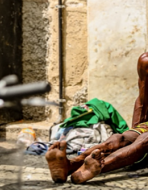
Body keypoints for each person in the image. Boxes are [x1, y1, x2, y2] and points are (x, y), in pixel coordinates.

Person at [46, 52, 148, 184]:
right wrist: (133, 135)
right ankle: (71, 164)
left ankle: (96, 167)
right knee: (118, 139)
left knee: (144, 140)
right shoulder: (145, 62)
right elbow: (142, 101)